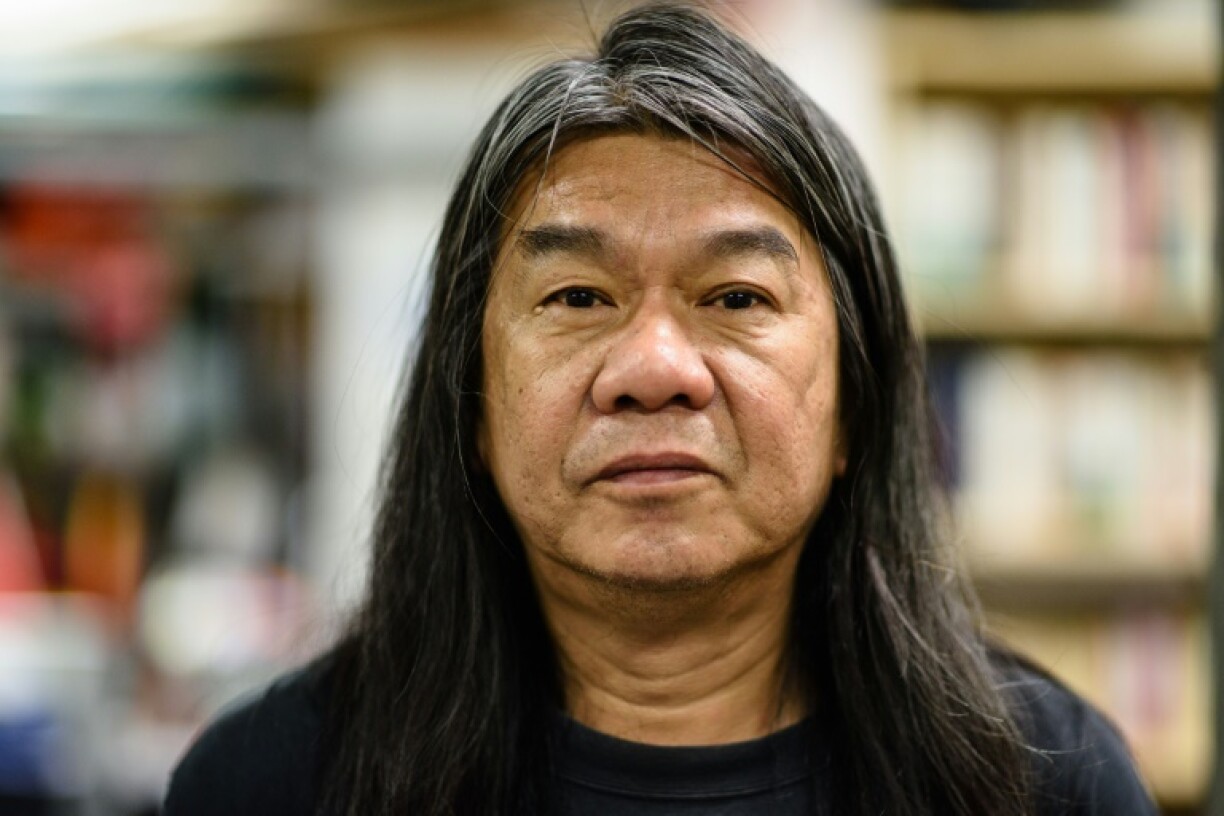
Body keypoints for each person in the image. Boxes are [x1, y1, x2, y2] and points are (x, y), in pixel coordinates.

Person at [164, 4, 1158, 815]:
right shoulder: (273, 784)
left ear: (857, 403)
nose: (651, 368)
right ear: (469, 403)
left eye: (734, 299)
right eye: (578, 299)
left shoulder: (1045, 780)